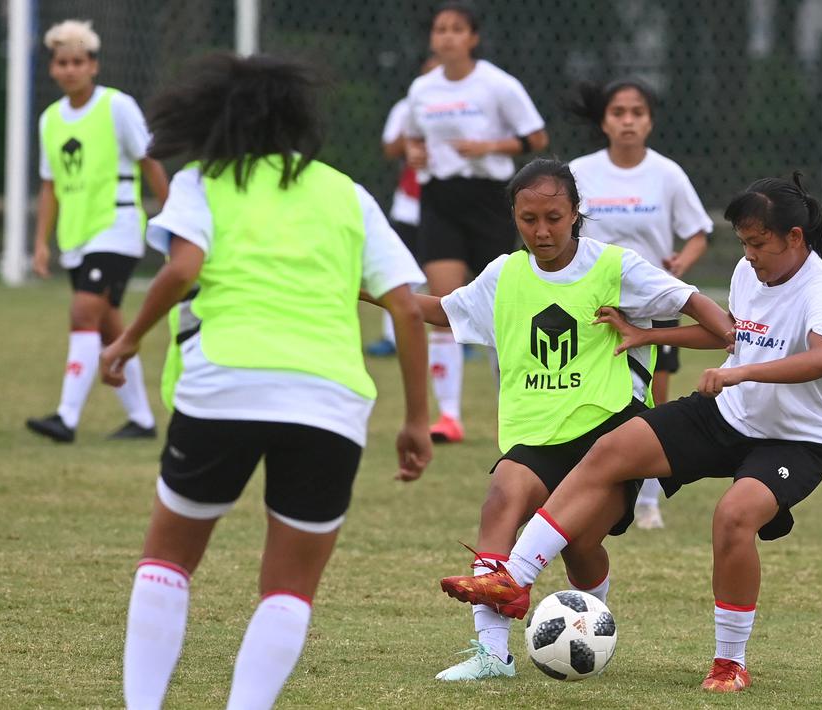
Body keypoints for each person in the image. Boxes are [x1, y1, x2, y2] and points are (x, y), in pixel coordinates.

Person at [99, 53, 433, 710]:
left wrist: (130, 337)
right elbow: (406, 308)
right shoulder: (347, 193)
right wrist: (415, 418)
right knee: (288, 588)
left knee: (167, 560)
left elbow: (180, 268)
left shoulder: (204, 181)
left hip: (224, 384)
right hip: (328, 402)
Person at [440, 174, 822, 693]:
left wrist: (740, 372)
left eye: (759, 244)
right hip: (730, 414)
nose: (749, 256)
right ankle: (514, 580)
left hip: (796, 439)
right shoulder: (751, 274)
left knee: (733, 517)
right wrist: (648, 334)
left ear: (795, 237)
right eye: (744, 244)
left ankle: (730, 662)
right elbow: (733, 334)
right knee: (613, 448)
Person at [408, 158, 731, 681]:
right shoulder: (505, 274)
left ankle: (587, 622)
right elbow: (445, 311)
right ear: (514, 216)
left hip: (611, 432)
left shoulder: (615, 267)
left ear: (577, 212)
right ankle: (493, 655)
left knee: (581, 546)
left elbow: (718, 326)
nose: (542, 231)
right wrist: (362, 288)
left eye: (554, 217)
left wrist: (648, 334)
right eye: (529, 218)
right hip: (536, 434)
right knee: (500, 500)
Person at [565, 78, 714, 529]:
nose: (628, 121)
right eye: (618, 112)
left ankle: (648, 498)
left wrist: (679, 264)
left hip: (652, 300)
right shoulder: (578, 172)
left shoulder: (666, 174)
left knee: (654, 396)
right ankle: (576, 485)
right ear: (603, 121)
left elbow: (699, 232)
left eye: (637, 113)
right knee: (586, 391)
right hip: (592, 303)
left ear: (649, 121)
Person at [403, 2, 549, 443]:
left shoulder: (497, 85)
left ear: (472, 38)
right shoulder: (422, 88)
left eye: (456, 29)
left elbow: (537, 138)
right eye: (440, 29)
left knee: (500, 305)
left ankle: (513, 409)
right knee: (445, 304)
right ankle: (447, 416)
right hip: (440, 198)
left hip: (489, 198)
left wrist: (489, 145)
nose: (446, 36)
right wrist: (414, 153)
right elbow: (412, 136)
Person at [25, 19, 169, 443]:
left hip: (117, 226)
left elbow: (149, 160)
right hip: (77, 236)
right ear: (52, 69)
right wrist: (40, 243)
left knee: (82, 312)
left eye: (78, 61)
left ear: (93, 66)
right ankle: (141, 420)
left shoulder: (116, 107)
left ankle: (66, 418)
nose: (69, 69)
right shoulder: (50, 120)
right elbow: (50, 186)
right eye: (61, 62)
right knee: (109, 329)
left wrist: (172, 215)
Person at [365, 55, 440, 357]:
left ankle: (447, 334)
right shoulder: (407, 107)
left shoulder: (471, 104)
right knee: (399, 267)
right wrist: (414, 136)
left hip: (445, 202)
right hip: (410, 203)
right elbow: (390, 148)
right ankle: (390, 335)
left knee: (442, 268)